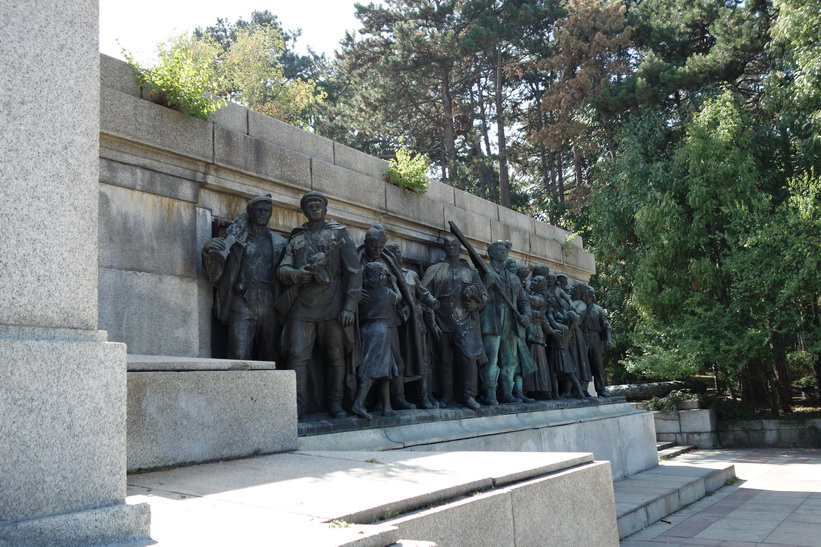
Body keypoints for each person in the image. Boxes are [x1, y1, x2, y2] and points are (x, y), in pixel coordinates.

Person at [276, 191, 361, 418]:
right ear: (304, 210)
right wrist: (297, 274)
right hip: (301, 306)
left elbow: (353, 272)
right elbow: (283, 269)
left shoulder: (339, 233)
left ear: (325, 209)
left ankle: (335, 403)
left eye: (318, 205)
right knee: (296, 355)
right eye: (309, 205)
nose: (314, 208)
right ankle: (297, 405)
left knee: (336, 356)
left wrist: (349, 306)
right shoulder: (296, 238)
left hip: (333, 305)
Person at [201, 194, 287, 361]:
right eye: (259, 210)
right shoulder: (234, 240)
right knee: (238, 355)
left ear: (271, 214)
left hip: (270, 302)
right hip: (242, 300)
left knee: (270, 356)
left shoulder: (280, 243)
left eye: (267, 211)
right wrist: (207, 252)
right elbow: (213, 275)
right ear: (250, 211)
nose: (263, 213)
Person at [421, 237, 488, 410]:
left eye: (454, 245)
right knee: (444, 358)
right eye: (448, 245)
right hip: (442, 316)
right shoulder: (434, 269)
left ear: (460, 248)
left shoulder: (470, 272)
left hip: (465, 318)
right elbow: (423, 293)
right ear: (444, 248)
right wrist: (432, 320)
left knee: (468, 357)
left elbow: (484, 296)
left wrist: (477, 305)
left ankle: (469, 395)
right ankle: (447, 394)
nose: (451, 247)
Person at [357, 225, 418, 410]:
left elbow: (401, 289)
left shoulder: (388, 261)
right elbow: (346, 283)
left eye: (380, 246)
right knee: (367, 361)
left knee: (395, 361)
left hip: (389, 319)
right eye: (373, 245)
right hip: (363, 319)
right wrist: (357, 293)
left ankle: (395, 398)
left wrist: (406, 307)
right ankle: (366, 401)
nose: (377, 250)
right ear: (366, 242)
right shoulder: (355, 258)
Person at [385, 241, 441, 409]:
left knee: (422, 360)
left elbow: (422, 293)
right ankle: (398, 398)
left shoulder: (411, 274)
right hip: (396, 322)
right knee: (397, 361)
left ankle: (424, 397)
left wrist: (432, 301)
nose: (396, 255)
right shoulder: (386, 274)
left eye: (397, 252)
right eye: (391, 252)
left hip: (415, 322)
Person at [479, 241, 533, 404]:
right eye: (499, 250)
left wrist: (526, 315)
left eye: (505, 250)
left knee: (511, 359)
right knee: (491, 358)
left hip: (511, 321)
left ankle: (508, 392)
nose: (503, 252)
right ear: (491, 253)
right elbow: (474, 296)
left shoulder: (514, 278)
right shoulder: (483, 271)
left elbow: (523, 301)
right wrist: (485, 284)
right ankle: (489, 392)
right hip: (491, 320)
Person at [351, 262, 400, 419]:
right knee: (371, 369)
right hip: (379, 331)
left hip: (366, 330)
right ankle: (358, 403)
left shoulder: (362, 294)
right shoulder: (386, 292)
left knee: (385, 370)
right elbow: (398, 297)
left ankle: (387, 407)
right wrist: (394, 283)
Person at [581, 286, 613, 397]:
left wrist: (609, 339)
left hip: (595, 337)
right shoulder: (579, 307)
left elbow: (607, 326)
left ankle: (601, 389)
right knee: (583, 363)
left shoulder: (598, 309)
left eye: (587, 293)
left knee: (598, 363)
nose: (585, 295)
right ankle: (582, 389)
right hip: (582, 337)